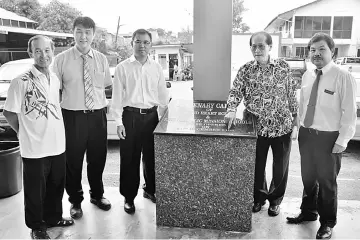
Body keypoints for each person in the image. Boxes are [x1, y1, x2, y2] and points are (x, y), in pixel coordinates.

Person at [286, 33, 357, 239]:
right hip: (307, 135)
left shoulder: (343, 77)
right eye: (313, 50)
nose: (316, 54)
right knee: (308, 178)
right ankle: (308, 212)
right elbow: (303, 105)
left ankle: (327, 222)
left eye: (321, 49)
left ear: (332, 52)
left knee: (327, 182)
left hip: (329, 138)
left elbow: (349, 113)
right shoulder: (308, 75)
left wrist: (342, 141)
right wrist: (298, 127)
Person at [3, 35, 74, 239]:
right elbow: (9, 113)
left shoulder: (55, 79)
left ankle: (53, 218)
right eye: (38, 51)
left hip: (58, 144)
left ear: (53, 52)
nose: (43, 55)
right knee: (35, 191)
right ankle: (36, 226)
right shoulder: (21, 81)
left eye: (47, 50)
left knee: (55, 186)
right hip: (34, 148)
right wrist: (22, 132)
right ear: (30, 53)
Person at [225, 31, 299, 217]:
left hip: (281, 126)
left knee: (280, 166)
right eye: (254, 46)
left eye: (261, 46)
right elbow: (235, 91)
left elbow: (291, 94)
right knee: (256, 165)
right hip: (255, 127)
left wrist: (296, 119)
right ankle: (258, 198)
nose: (257, 50)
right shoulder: (246, 69)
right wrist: (231, 108)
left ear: (270, 47)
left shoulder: (283, 67)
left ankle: (275, 201)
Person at [52, 16, 112, 220]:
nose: (83, 36)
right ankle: (75, 201)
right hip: (73, 116)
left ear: (93, 35)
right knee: (73, 161)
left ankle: (97, 195)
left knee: (98, 158)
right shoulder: (61, 60)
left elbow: (103, 86)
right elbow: (55, 92)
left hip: (97, 116)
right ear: (73, 32)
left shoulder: (102, 59)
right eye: (79, 31)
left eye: (87, 32)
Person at [110, 29, 169, 214]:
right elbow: (117, 98)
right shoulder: (123, 67)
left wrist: (164, 119)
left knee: (151, 157)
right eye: (138, 42)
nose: (142, 45)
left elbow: (162, 96)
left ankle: (150, 190)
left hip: (151, 117)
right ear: (132, 43)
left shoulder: (156, 67)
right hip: (130, 117)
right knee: (130, 159)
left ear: (150, 45)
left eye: (145, 42)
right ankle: (128, 198)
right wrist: (118, 122)